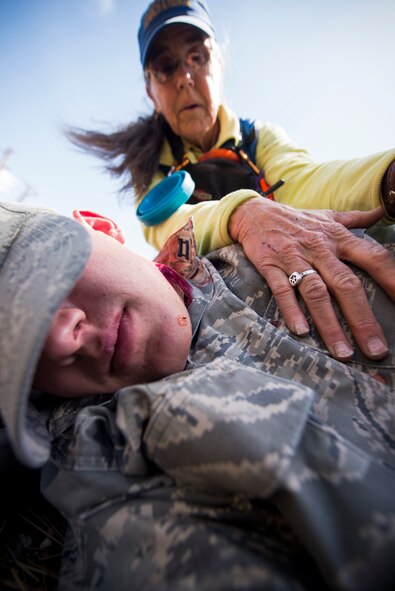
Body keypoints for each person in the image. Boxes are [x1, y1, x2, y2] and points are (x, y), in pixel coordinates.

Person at [0, 200, 394, 591]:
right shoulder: (103, 461)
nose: (60, 339)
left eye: (45, 280)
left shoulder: (290, 245)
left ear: (101, 227)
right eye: (18, 349)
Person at [67, 0, 395, 366]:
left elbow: (304, 180)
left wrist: (386, 180)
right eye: (165, 66)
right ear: (151, 92)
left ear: (219, 64)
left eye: (198, 57)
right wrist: (243, 213)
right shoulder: (147, 164)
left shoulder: (260, 138)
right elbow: (165, 227)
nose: (185, 77)